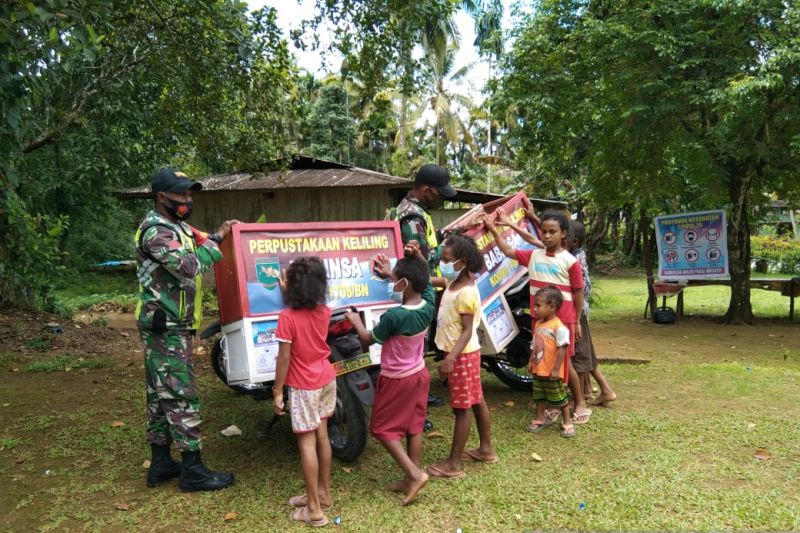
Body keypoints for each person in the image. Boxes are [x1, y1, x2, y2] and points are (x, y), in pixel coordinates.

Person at [135, 168, 238, 492]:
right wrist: (219, 239)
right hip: (165, 326)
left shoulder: (176, 226)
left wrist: (220, 232)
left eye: (190, 195)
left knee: (160, 395)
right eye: (182, 195)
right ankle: (192, 470)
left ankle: (162, 463)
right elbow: (189, 265)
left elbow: (198, 237)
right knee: (182, 394)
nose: (188, 201)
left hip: (168, 323)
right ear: (162, 197)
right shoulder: (156, 232)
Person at [484, 209, 592, 425]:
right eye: (544, 231)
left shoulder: (571, 262)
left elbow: (578, 292)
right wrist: (494, 231)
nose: (547, 236)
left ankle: (579, 403)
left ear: (563, 234)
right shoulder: (533, 255)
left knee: (565, 362)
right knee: (542, 358)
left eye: (552, 232)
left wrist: (577, 320)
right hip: (539, 321)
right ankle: (552, 404)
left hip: (564, 319)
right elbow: (507, 250)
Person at [345, 244, 432, 505]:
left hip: (396, 379)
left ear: (404, 283)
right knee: (414, 426)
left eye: (394, 280)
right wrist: (400, 268)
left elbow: (368, 338)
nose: (390, 282)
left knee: (382, 429)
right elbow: (424, 279)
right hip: (419, 374)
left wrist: (356, 321)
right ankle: (409, 478)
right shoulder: (428, 303)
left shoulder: (394, 316)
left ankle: (415, 475)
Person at [272, 257, 336, 528]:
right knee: (322, 437)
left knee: (307, 444)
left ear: (294, 286)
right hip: (326, 379)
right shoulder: (325, 311)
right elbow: (306, 312)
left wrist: (277, 391)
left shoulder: (287, 317)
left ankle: (314, 510)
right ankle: (323, 493)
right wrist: (290, 291)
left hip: (303, 386)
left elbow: (283, 359)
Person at [426, 234, 496, 479]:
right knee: (475, 399)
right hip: (464, 353)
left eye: (446, 259)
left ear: (463, 261)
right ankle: (485, 449)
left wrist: (450, 359)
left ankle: (453, 464)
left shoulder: (465, 292)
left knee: (462, 408)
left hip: (462, 354)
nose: (442, 264)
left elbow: (467, 330)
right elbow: (439, 279)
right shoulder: (454, 282)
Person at [568, 221, 617, 406]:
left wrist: (576, 317)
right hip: (579, 311)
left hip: (576, 312)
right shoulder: (576, 253)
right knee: (586, 353)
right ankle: (596, 390)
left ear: (573, 241)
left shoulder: (573, 259)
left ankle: (585, 395)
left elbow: (582, 289)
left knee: (580, 356)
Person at [525, 286, 575, 437]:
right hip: (538, 369)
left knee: (558, 397)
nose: (534, 309)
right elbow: (535, 345)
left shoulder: (559, 327)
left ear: (552, 307)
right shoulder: (539, 324)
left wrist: (556, 369)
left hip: (551, 370)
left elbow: (562, 349)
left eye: (538, 305)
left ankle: (567, 422)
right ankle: (540, 418)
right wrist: (530, 362)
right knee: (539, 395)